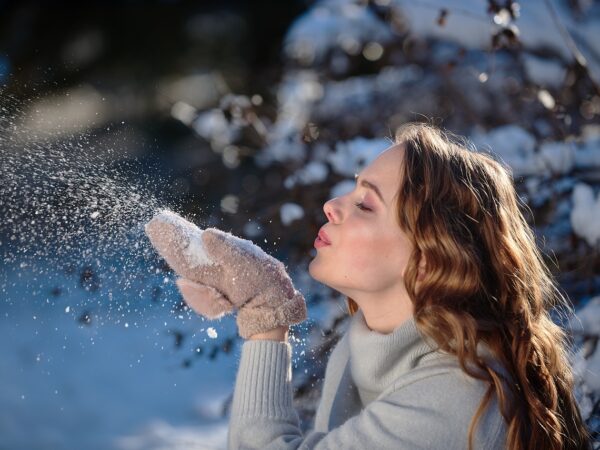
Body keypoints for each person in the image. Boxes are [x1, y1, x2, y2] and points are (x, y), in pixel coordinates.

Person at [146, 122, 592, 450]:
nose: (333, 205)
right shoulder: (369, 346)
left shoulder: (457, 401)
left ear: (427, 259)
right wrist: (266, 306)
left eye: (364, 203)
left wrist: (266, 316)